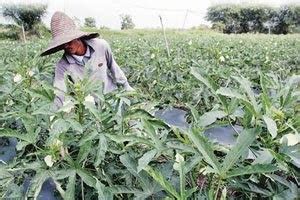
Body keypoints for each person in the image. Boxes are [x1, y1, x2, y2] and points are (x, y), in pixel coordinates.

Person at [41, 11, 134, 108]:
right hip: (89, 106)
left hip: (111, 97)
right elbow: (60, 91)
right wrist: (55, 113)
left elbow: (113, 67)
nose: (66, 46)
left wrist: (126, 86)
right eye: (62, 43)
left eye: (68, 41)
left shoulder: (101, 46)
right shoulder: (62, 65)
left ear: (77, 37)